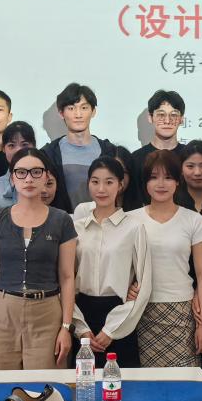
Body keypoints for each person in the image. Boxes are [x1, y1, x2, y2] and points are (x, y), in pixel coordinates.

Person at [0, 148, 78, 370]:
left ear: (46, 176)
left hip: (47, 311)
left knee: (45, 384)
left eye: (36, 172)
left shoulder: (61, 220)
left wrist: (66, 327)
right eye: (21, 172)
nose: (29, 179)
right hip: (3, 310)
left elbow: (67, 277)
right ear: (12, 178)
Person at [132, 149, 202, 366]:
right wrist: (127, 287)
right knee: (147, 382)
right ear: (145, 182)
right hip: (141, 311)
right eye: (153, 177)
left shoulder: (193, 220)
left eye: (168, 177)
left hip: (182, 310)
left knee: (184, 380)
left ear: (178, 181)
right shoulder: (130, 220)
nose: (161, 184)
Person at [71, 157, 151, 367]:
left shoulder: (134, 227)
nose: (101, 189)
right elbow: (65, 279)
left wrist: (111, 331)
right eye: (95, 181)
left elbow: (144, 284)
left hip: (120, 318)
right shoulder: (76, 228)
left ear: (120, 185)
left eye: (109, 182)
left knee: (121, 382)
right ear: (88, 184)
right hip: (82, 315)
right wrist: (80, 328)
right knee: (83, 383)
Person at [41, 83, 115, 211]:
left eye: (84, 107)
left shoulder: (110, 151)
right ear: (61, 113)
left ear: (93, 111)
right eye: (71, 108)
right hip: (62, 221)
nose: (78, 114)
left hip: (103, 220)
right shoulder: (48, 154)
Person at [130, 90, 187, 204]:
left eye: (174, 115)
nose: (167, 121)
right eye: (161, 115)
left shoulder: (189, 156)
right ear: (150, 118)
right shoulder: (135, 159)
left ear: (182, 119)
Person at [0, 121, 36, 214]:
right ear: (3, 149)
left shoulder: (44, 182)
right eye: (11, 145)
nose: (18, 150)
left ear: (34, 146)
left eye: (24, 144)